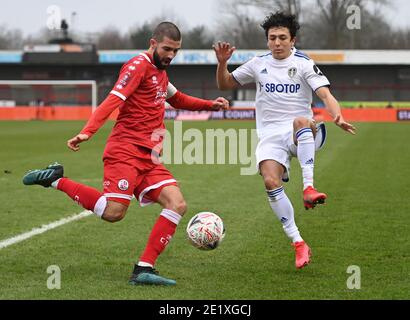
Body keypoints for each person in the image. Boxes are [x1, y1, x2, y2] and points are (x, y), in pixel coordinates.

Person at [23, 22, 229, 286]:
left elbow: (177, 99)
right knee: (113, 213)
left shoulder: (160, 71)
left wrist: (210, 104)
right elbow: (114, 99)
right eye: (166, 49)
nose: (170, 55)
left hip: (149, 157)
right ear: (153, 43)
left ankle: (144, 269)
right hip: (125, 151)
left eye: (175, 51)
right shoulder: (137, 66)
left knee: (177, 203)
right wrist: (88, 131)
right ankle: (55, 179)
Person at [213, 12, 356, 269]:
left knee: (301, 120)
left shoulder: (303, 63)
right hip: (270, 136)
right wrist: (222, 63)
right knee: (270, 181)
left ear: (293, 40)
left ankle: (308, 188)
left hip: (301, 133)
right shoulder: (258, 63)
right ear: (267, 40)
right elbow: (225, 85)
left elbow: (324, 93)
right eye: (272, 38)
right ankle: (298, 243)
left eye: (282, 38)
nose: (277, 43)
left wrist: (338, 116)